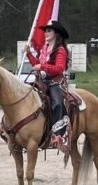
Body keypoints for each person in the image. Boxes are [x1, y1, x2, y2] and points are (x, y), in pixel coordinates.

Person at [25, 19, 69, 149]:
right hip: (42, 81)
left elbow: (59, 68)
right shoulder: (44, 49)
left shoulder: (60, 50)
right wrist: (28, 54)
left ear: (56, 34)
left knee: (58, 104)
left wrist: (42, 66)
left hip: (55, 82)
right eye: (45, 31)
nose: (45, 33)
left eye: (49, 30)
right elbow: (37, 65)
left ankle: (58, 135)